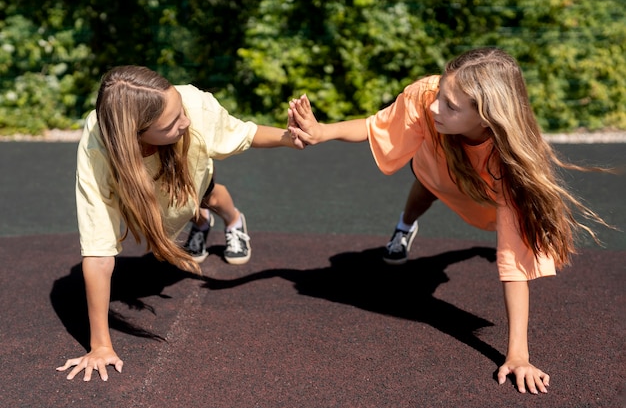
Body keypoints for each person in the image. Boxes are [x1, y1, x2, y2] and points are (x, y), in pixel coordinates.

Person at [287, 47, 614, 395]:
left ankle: (412, 226)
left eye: (450, 105)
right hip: (436, 163)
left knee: (473, 213)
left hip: (479, 183)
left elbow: (513, 263)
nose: (434, 106)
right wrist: (321, 132)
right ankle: (404, 227)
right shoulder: (429, 99)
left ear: (488, 117)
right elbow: (376, 125)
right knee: (426, 188)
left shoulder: (510, 167)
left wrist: (518, 353)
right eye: (440, 93)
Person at [57, 65, 306, 381]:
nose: (185, 121)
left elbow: (243, 132)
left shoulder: (192, 106)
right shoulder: (98, 149)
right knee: (185, 211)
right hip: (151, 190)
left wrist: (289, 137)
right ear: (136, 132)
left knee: (211, 199)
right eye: (172, 123)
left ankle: (233, 221)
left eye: (180, 111)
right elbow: (98, 249)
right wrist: (100, 346)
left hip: (190, 174)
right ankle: (201, 223)